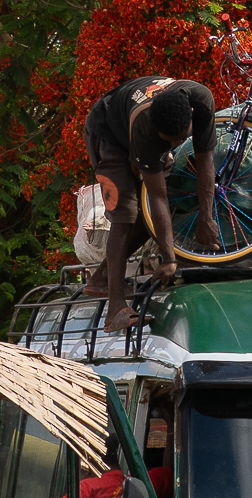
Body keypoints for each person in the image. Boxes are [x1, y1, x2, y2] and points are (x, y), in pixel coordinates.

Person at [84, 75, 218, 330]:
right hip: (108, 132)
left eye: (180, 138)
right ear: (158, 132)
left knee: (147, 215)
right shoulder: (145, 127)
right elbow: (157, 195)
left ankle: (101, 277)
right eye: (168, 140)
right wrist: (168, 259)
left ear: (190, 115)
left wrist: (206, 217)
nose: (176, 144)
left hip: (134, 125)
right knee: (125, 213)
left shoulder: (201, 99)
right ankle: (115, 311)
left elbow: (205, 162)